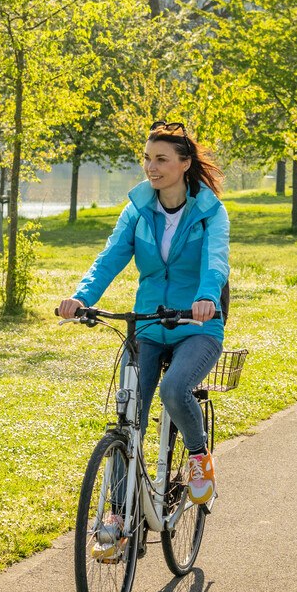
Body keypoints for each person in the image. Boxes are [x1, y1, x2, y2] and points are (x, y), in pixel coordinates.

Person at [58, 120, 230, 507]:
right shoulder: (137, 211)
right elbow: (109, 259)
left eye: (161, 159)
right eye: (147, 158)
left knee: (174, 389)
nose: (151, 167)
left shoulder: (210, 212)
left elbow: (216, 261)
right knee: (129, 414)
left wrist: (207, 296)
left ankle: (199, 457)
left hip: (197, 324)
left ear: (185, 164)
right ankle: (119, 516)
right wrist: (81, 297)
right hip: (148, 325)